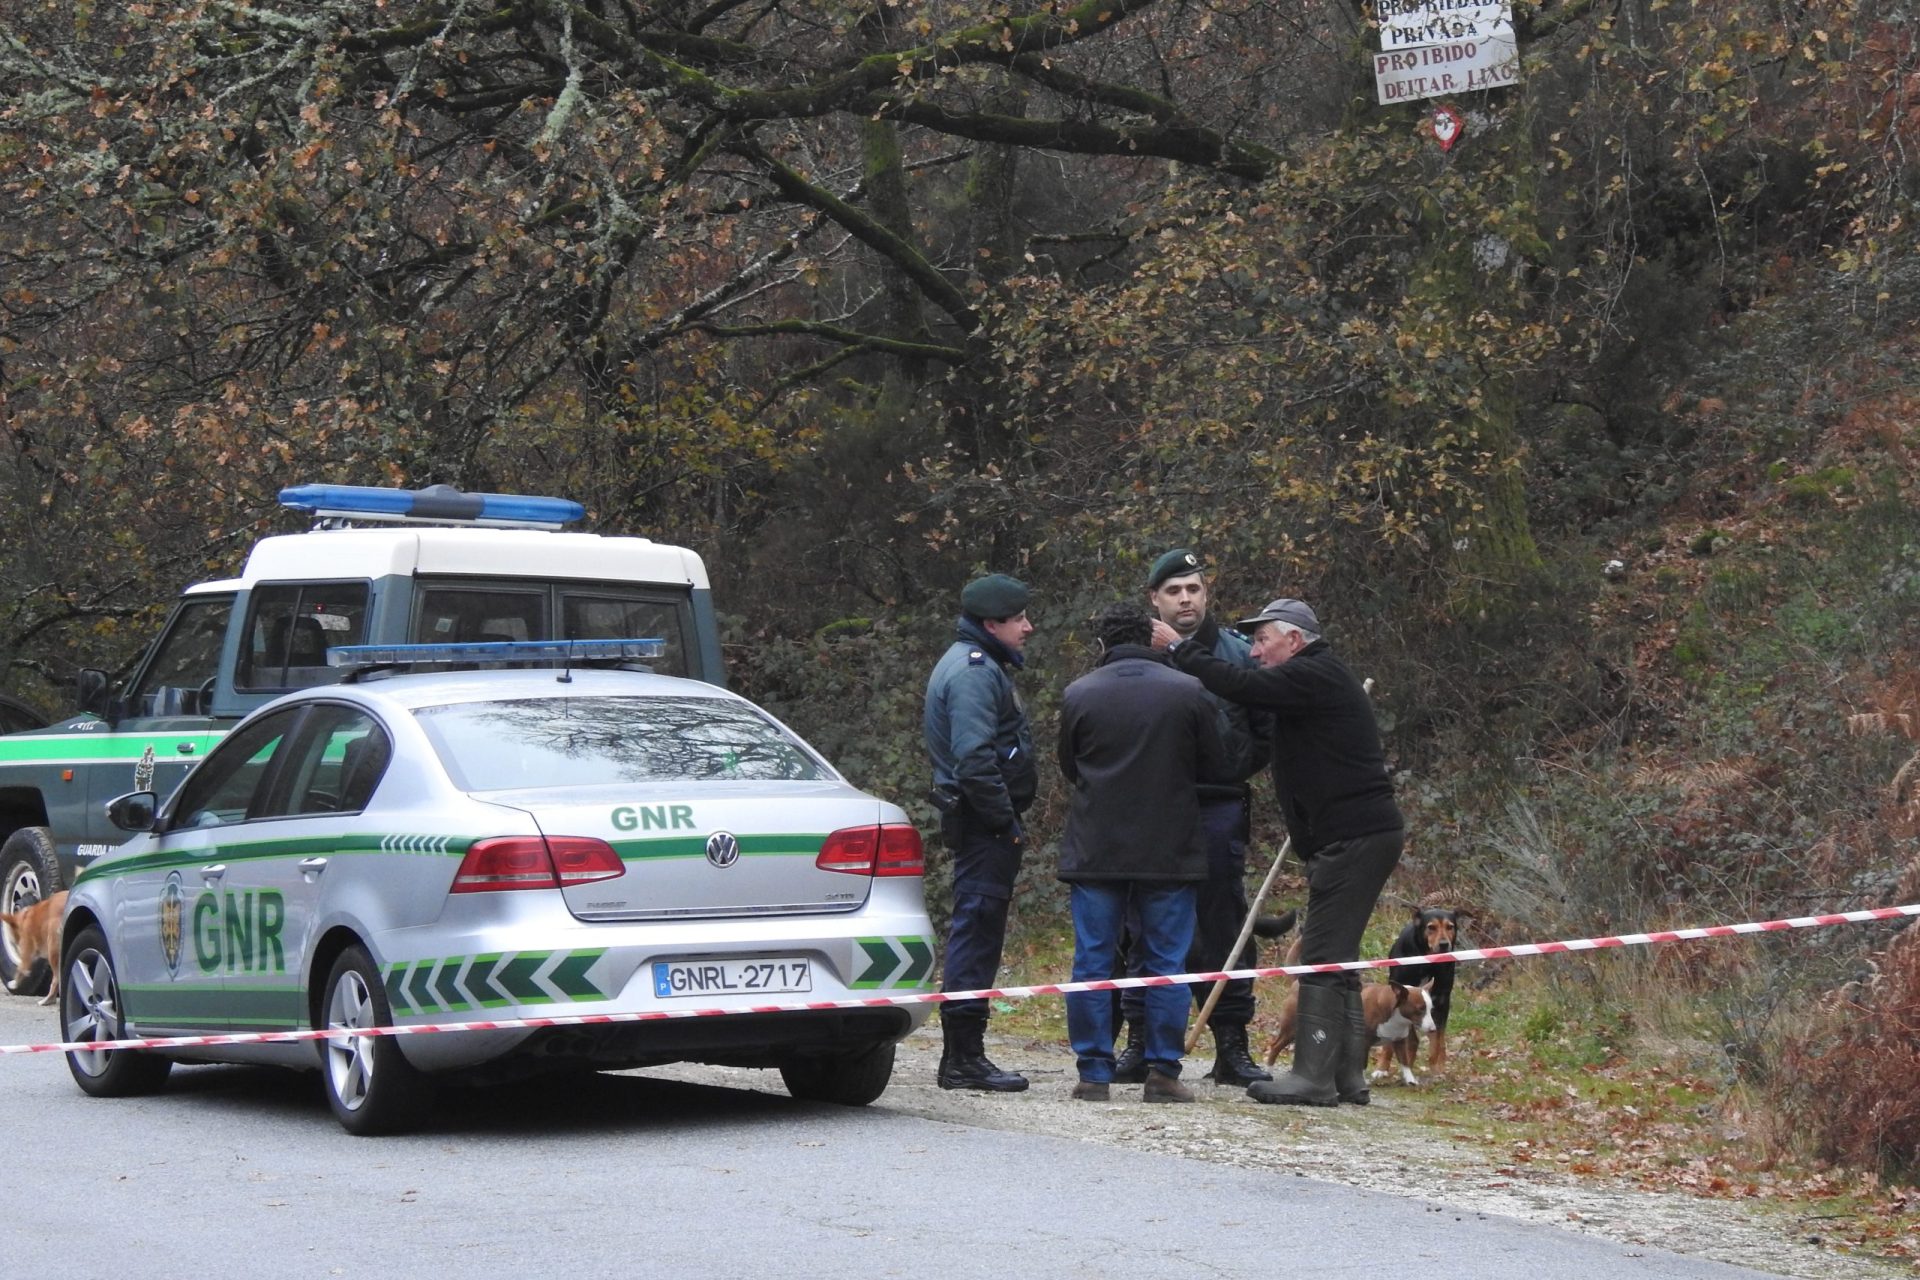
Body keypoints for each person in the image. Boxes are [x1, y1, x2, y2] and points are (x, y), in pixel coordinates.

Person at [1151, 597, 1403, 1106]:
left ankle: (1311, 1076)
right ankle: (1348, 1076)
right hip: (1348, 836)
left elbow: (1242, 686)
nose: (1255, 652)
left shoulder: (1315, 674)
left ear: (1294, 639)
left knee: (1323, 957)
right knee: (1338, 958)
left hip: (1353, 838)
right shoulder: (1311, 680)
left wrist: (1179, 648)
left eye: (1263, 640)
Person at [1110, 549, 1272, 1088]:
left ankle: (1232, 1044)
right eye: (1174, 591)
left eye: (1194, 589)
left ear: (1207, 594)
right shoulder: (1134, 656)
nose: (1186, 599)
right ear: (1154, 599)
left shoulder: (1238, 655)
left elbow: (1264, 733)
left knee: (1223, 925)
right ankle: (1140, 1042)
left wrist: (1228, 765)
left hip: (1216, 806)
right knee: (1143, 926)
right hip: (1150, 811)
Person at [1057, 604, 1231, 1103]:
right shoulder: (1188, 690)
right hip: (1169, 846)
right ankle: (1162, 1071)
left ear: (1102, 646)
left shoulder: (1079, 694)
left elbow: (1072, 766)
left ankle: (1093, 1071)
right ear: (1153, 640)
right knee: (1167, 962)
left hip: (1097, 848)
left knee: (1092, 959)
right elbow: (1215, 763)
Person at [923, 572, 1039, 1092]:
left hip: (982, 821)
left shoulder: (979, 663)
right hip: (982, 824)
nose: (1028, 627)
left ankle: (965, 1055)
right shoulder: (972, 672)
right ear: (991, 624)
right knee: (976, 932)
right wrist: (1003, 823)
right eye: (1018, 619)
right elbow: (974, 760)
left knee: (979, 929)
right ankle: (964, 1058)